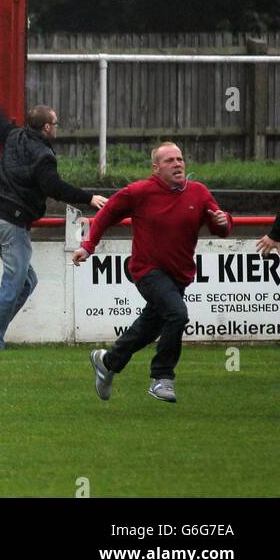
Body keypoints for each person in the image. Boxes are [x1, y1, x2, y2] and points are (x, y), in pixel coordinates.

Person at [76, 143, 231, 404]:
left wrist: (223, 221)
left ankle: (108, 362)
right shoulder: (139, 192)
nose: (177, 164)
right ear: (156, 168)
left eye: (180, 159)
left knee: (149, 327)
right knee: (177, 314)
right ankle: (162, 377)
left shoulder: (199, 193)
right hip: (147, 270)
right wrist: (88, 246)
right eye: (170, 160)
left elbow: (221, 226)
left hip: (179, 274)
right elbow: (107, 214)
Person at [0, 102, 107, 350]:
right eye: (55, 123)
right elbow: (54, 188)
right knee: (13, 284)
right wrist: (89, 198)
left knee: (27, 282)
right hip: (13, 223)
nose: (57, 127)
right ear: (47, 127)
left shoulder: (15, 135)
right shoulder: (43, 156)